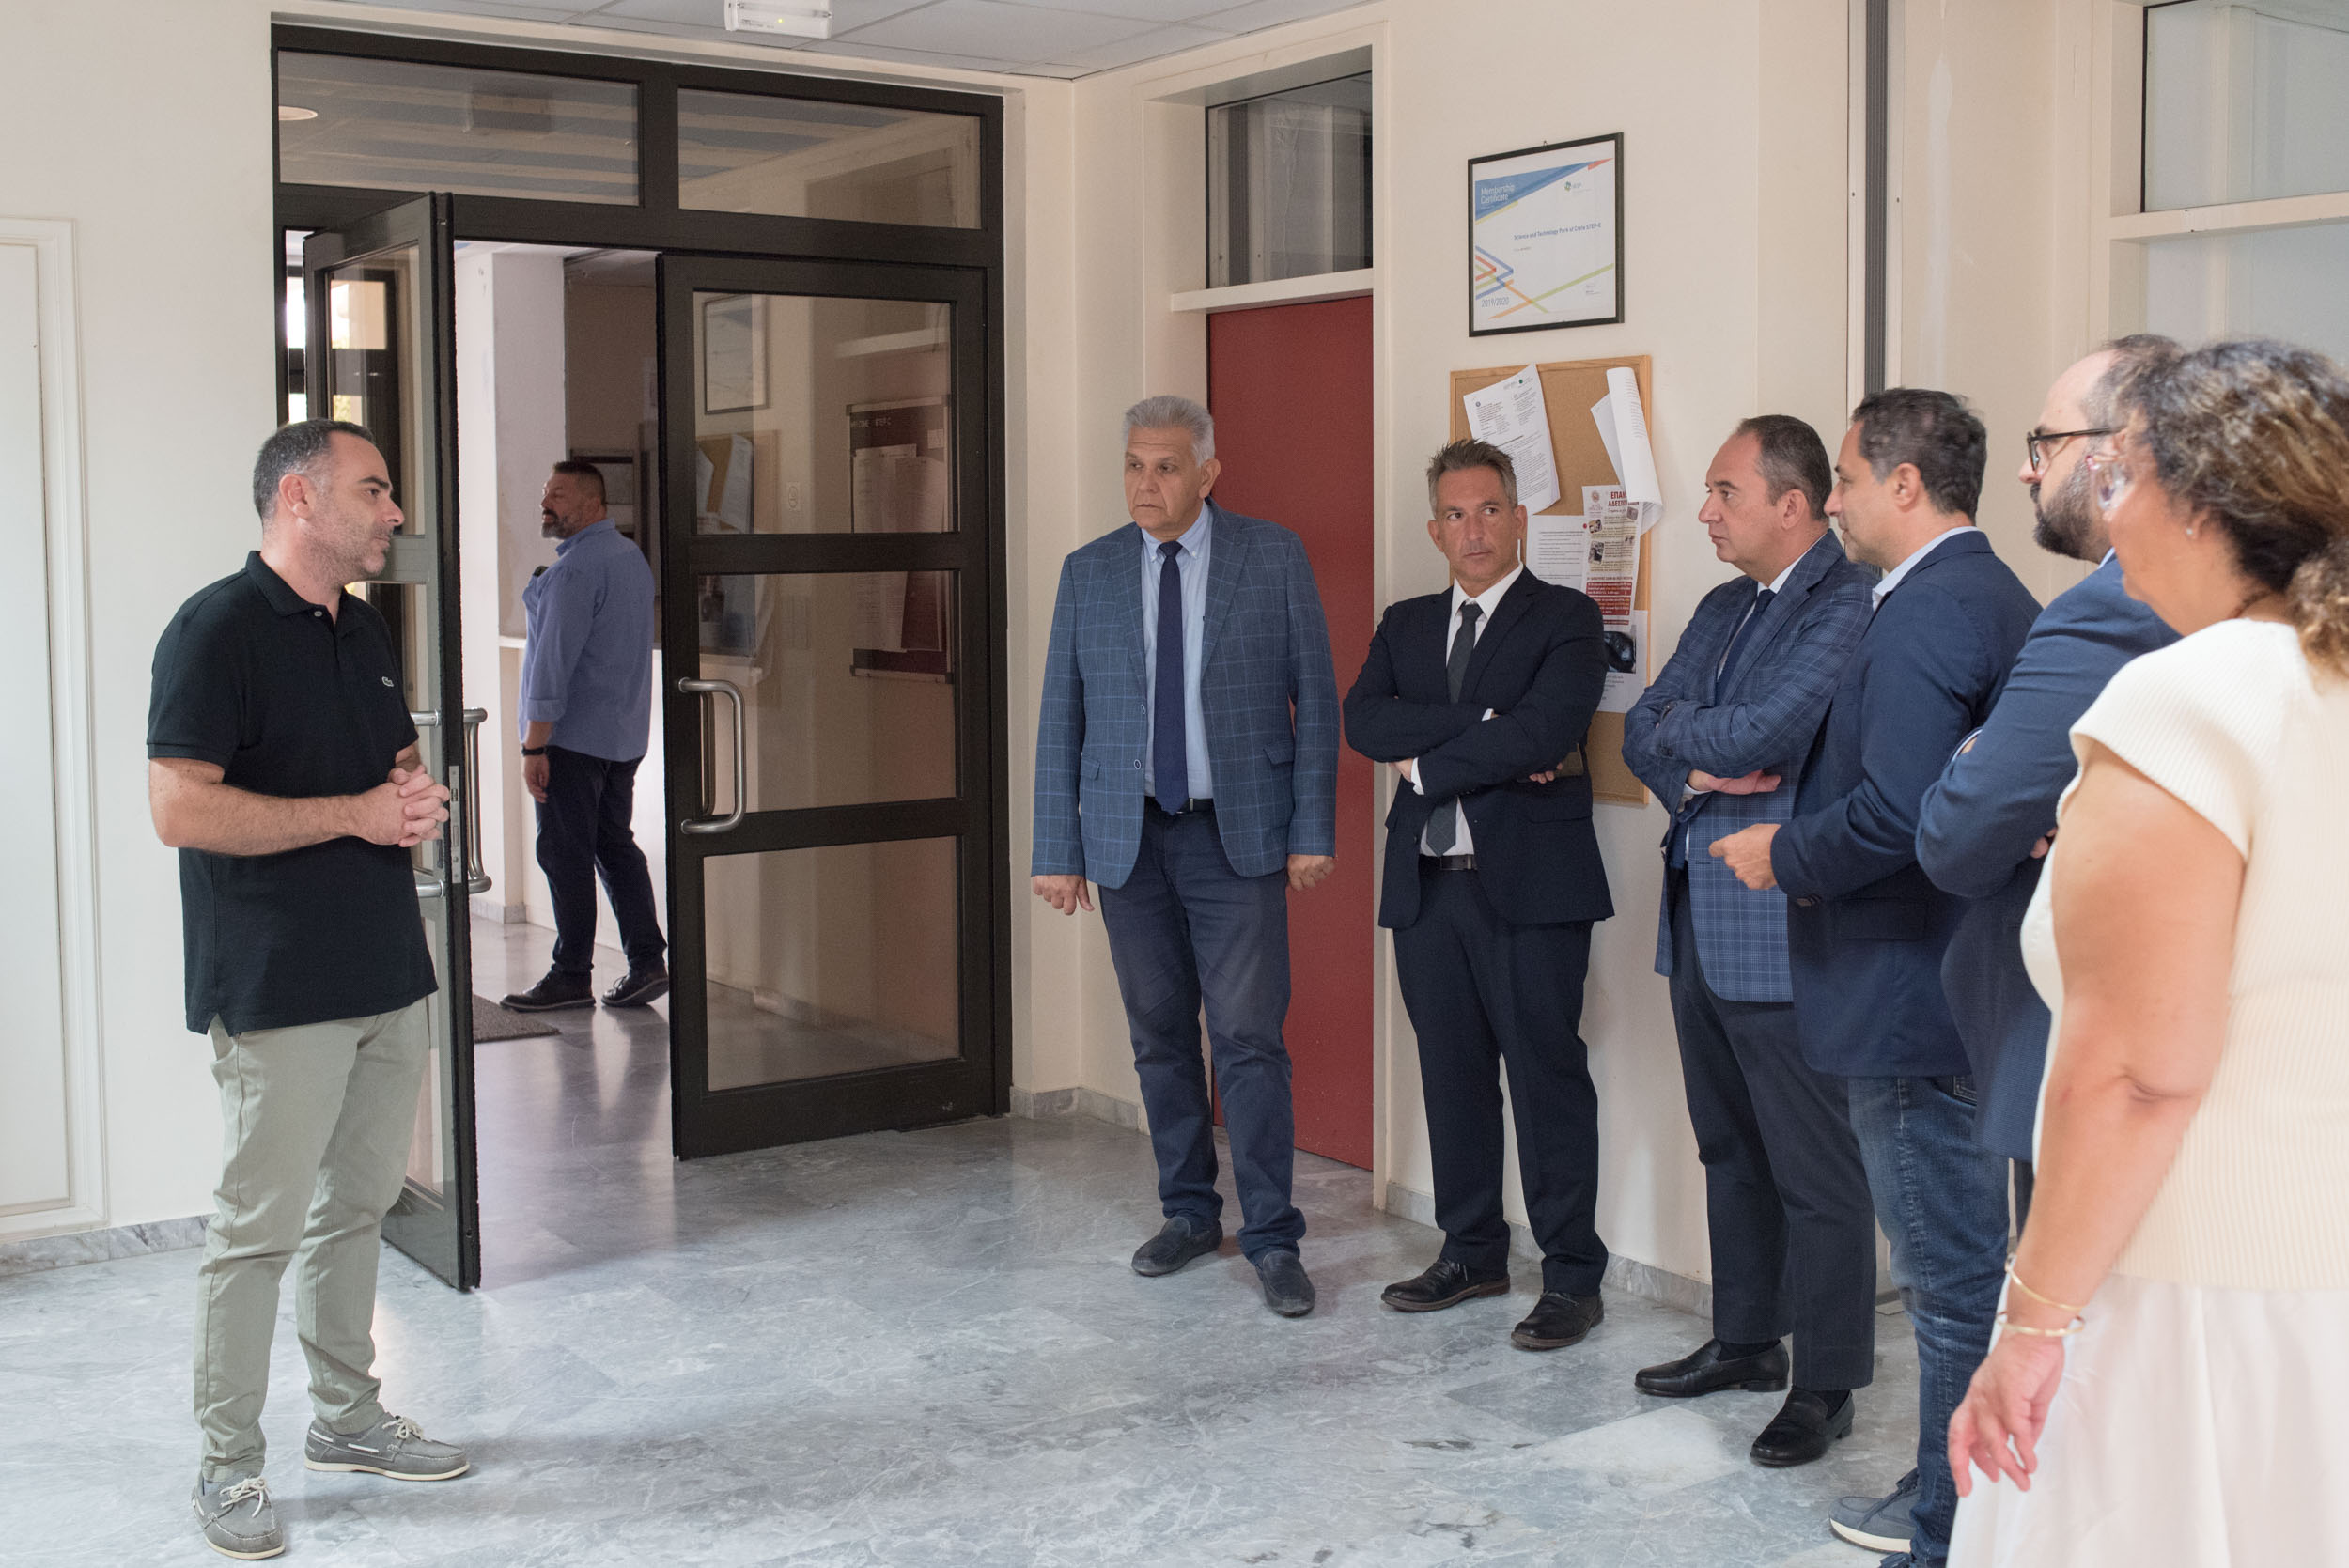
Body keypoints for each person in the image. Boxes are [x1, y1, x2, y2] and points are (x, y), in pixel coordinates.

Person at [1947, 340, 2349, 1564]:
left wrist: (2031, 1323)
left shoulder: (2188, 698)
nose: (2109, 525)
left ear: (2199, 502)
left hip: (2187, 1287)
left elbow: (2134, 1072)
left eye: (2121, 482)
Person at [1835, 341, 2179, 1560]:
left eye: (2047, 444)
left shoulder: (2106, 609)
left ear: (2119, 454)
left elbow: (1949, 826)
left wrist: (1994, 779)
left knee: (2052, 1337)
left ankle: (1957, 1529)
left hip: (2091, 1046)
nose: (2030, 471)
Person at [1710, 389, 2039, 1568]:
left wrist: (1784, 852)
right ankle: (1954, 1490)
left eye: (1846, 478)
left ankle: (1946, 1520)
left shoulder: (1928, 611)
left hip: (1908, 991)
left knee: (1948, 1282)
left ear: (1905, 484)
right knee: (1963, 1269)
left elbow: (1903, 814)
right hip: (1948, 982)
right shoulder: (1986, 593)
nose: (1833, 500)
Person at [149, 420, 471, 1561]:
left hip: (386, 965)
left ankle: (348, 1417)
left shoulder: (363, 626)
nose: (394, 512)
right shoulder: (213, 631)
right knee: (257, 1233)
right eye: (373, 490)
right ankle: (227, 1465)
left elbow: (389, 765)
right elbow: (179, 808)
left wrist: (414, 796)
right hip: (276, 982)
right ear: (299, 498)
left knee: (358, 1207)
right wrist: (354, 815)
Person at [1032, 394, 1339, 1317]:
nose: (1145, 483)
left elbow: (1316, 698)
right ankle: (1189, 1212)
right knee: (1159, 1038)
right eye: (1133, 464)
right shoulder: (1088, 571)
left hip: (1235, 835)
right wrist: (1057, 848)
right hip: (1127, 840)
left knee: (1247, 1039)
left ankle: (1273, 1236)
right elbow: (1060, 718)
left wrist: (1311, 829)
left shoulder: (1271, 556)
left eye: (1165, 466)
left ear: (1207, 473)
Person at [1620, 416, 1879, 1465]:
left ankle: (1826, 1380)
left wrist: (1691, 741)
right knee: (1727, 1147)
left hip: (1784, 924)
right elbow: (1641, 725)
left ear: (1793, 502)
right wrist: (1698, 759)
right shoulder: (1725, 605)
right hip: (1696, 912)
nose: (1706, 512)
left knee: (1814, 1170)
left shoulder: (1849, 599)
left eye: (1726, 492)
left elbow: (1768, 731)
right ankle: (1745, 1340)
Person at [1342, 439, 1614, 1352]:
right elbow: (1363, 720)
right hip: (1427, 887)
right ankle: (1472, 1252)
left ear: (1518, 518)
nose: (1474, 529)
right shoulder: (1406, 623)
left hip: (1532, 891)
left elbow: (1546, 731)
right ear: (1435, 529)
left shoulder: (1567, 617)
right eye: (1455, 514)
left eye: (1489, 509)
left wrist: (1423, 759)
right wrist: (1481, 726)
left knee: (1545, 1079)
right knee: (1451, 1077)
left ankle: (1571, 1275)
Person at [500, 459, 667, 1013]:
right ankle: (647, 961)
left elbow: (552, 667)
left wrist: (534, 745)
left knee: (563, 853)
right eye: (545, 493)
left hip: (571, 743)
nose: (546, 504)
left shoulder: (575, 571)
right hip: (622, 738)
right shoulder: (630, 558)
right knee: (614, 845)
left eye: (559, 495)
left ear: (594, 504)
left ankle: (571, 974)